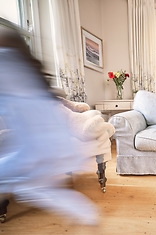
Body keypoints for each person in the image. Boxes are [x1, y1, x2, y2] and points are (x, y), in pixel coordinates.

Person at [0, 26, 98, 224]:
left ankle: (88, 214)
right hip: (52, 146)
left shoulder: (7, 63)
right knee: (33, 188)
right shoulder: (31, 73)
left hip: (38, 148)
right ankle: (88, 215)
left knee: (28, 186)